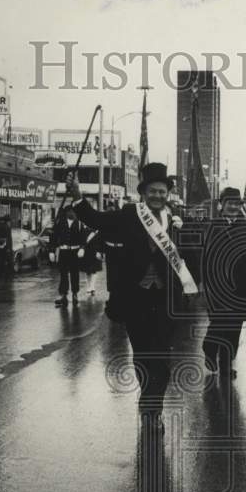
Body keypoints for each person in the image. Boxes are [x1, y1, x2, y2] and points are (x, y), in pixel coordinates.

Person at [67, 163, 199, 422]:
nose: (158, 196)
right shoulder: (129, 214)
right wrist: (77, 196)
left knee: (161, 356)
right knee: (141, 354)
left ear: (167, 194)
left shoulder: (175, 220)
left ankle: (152, 409)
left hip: (165, 300)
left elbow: (189, 256)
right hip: (135, 299)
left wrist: (192, 286)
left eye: (162, 191)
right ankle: (147, 396)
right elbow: (96, 219)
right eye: (153, 191)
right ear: (143, 192)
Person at [200, 187, 246, 380]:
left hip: (239, 286)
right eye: (229, 203)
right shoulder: (212, 226)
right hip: (217, 285)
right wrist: (202, 283)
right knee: (219, 324)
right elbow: (205, 257)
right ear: (221, 204)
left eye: (237, 204)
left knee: (234, 329)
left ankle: (226, 366)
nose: (233, 207)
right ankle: (209, 348)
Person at [52, 206, 84, 306]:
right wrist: (51, 251)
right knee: (63, 274)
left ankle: (75, 294)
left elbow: (83, 237)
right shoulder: (60, 223)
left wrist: (82, 248)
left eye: (74, 212)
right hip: (64, 251)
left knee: (75, 274)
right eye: (71, 212)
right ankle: (63, 295)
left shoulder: (79, 223)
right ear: (67, 213)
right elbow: (54, 237)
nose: (73, 214)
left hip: (75, 252)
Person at [80, 226, 105, 297]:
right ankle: (88, 286)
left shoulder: (98, 229)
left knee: (94, 270)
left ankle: (92, 287)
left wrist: (100, 252)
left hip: (95, 251)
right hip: (86, 252)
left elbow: (102, 241)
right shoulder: (83, 229)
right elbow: (82, 240)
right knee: (87, 270)